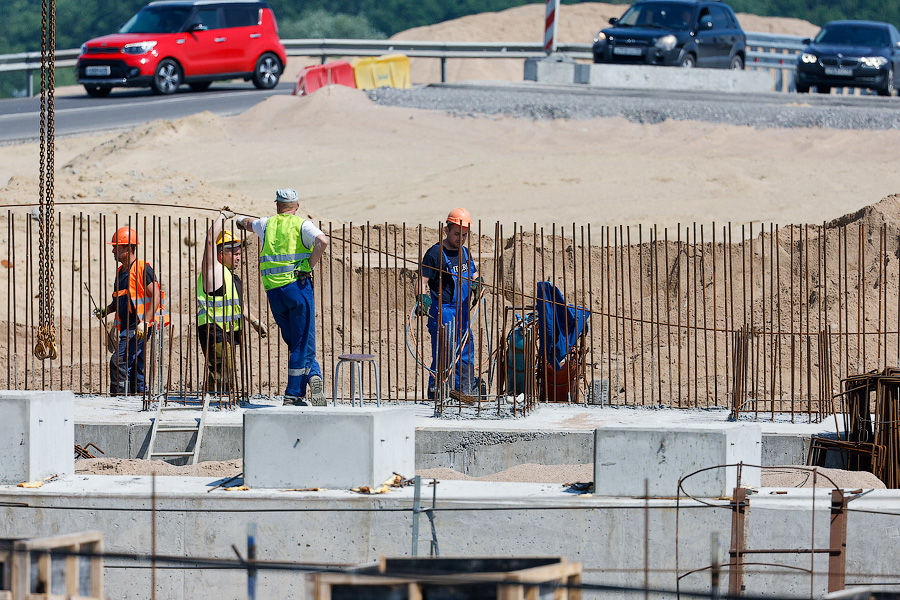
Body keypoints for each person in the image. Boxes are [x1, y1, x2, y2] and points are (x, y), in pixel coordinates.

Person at [236, 189, 329, 406]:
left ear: (277, 205)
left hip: (274, 294)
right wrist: (308, 266)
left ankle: (314, 375)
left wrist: (237, 218)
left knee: (296, 341)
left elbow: (247, 223)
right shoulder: (302, 224)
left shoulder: (266, 224)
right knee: (301, 341)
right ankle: (293, 393)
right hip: (297, 287)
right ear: (297, 206)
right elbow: (322, 242)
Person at [197, 209, 268, 394]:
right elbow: (211, 240)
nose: (238, 257)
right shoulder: (213, 272)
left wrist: (253, 321)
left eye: (239, 253)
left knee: (222, 371)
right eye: (234, 254)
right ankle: (216, 402)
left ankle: (214, 398)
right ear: (221, 253)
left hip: (227, 329)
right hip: (214, 328)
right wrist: (223, 216)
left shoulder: (231, 276)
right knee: (222, 372)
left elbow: (237, 304)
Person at [416, 207, 483, 399]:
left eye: (464, 235)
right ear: (446, 230)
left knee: (466, 352)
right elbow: (421, 282)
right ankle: (438, 396)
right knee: (444, 356)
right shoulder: (434, 254)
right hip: (443, 312)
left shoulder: (465, 253)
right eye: (456, 234)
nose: (460, 239)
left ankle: (464, 394)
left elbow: (474, 274)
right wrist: (422, 299)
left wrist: (478, 284)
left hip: (462, 312)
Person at [93, 226, 169, 395]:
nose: (112, 250)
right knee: (135, 364)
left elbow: (156, 295)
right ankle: (139, 394)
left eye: (116, 246)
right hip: (127, 327)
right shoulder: (121, 272)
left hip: (139, 326)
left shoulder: (142, 268)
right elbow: (120, 300)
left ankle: (119, 397)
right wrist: (106, 310)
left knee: (119, 361)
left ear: (127, 248)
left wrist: (146, 322)